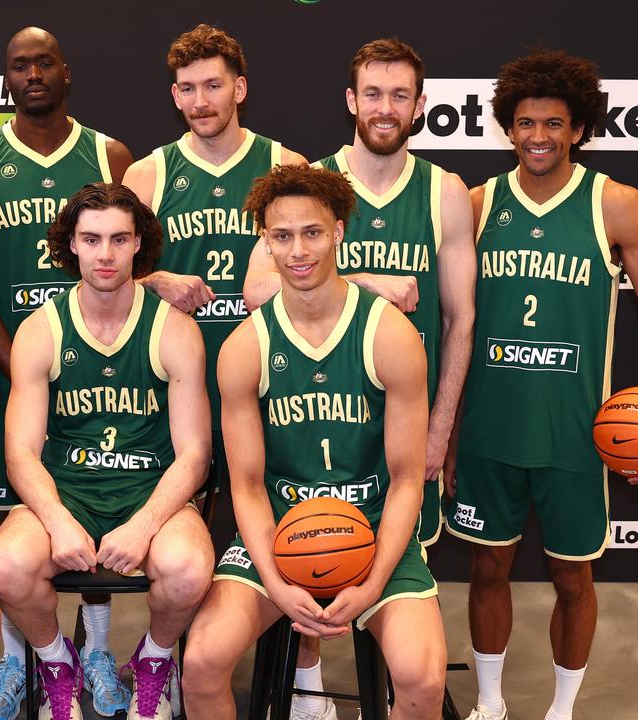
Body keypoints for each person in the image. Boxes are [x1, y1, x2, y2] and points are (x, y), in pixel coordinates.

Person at [445, 50, 638, 720]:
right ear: (508, 126)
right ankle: (492, 704)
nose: (539, 136)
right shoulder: (475, 207)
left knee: (572, 576)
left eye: (554, 123)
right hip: (489, 432)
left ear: (579, 128)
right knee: (486, 572)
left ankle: (561, 711)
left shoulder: (615, 204)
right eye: (526, 123)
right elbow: (446, 326)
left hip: (575, 435)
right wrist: (439, 433)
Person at [241, 38, 476, 717]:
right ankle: (310, 692)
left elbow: (461, 321)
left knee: (394, 580)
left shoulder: (445, 193)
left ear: (420, 106)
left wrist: (440, 428)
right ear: (350, 101)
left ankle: (399, 687)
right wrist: (368, 282)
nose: (385, 107)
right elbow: (257, 287)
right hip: (313, 419)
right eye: (372, 93)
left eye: (400, 95)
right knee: (308, 548)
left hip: (399, 432)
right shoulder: (308, 181)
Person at [181, 164, 446, 720]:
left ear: (339, 232)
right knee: (202, 664)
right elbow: (247, 487)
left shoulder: (390, 335)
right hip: (280, 530)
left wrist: (372, 582)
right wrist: (276, 584)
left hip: (374, 530)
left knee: (422, 681)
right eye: (282, 236)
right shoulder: (245, 349)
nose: (298, 251)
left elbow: (405, 480)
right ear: (265, 242)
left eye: (312, 232)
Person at [0, 26, 137, 719]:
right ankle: (17, 658)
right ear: (6, 79)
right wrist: (21, 355)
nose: (32, 73)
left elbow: (128, 252)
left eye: (44, 62)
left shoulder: (107, 152)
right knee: (6, 525)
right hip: (10, 371)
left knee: (93, 508)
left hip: (100, 368)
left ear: (66, 71)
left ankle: (93, 650)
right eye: (18, 65)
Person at [0, 183, 214, 720]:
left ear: (139, 245)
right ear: (71, 245)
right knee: (8, 565)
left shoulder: (174, 331)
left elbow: (195, 453)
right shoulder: (41, 329)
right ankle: (56, 661)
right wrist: (58, 518)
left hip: (150, 490)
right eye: (91, 239)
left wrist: (144, 525)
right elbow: (20, 451)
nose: (105, 254)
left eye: (118, 239)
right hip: (67, 490)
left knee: (188, 568)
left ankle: (155, 660)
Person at [123, 22, 307, 546]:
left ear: (240, 89)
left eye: (213, 86)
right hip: (180, 384)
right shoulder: (148, 174)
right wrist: (156, 279)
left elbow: (313, 275)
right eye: (188, 88)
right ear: (174, 95)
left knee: (293, 539)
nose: (200, 101)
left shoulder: (284, 166)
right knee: (185, 546)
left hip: (271, 378)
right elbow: (111, 281)